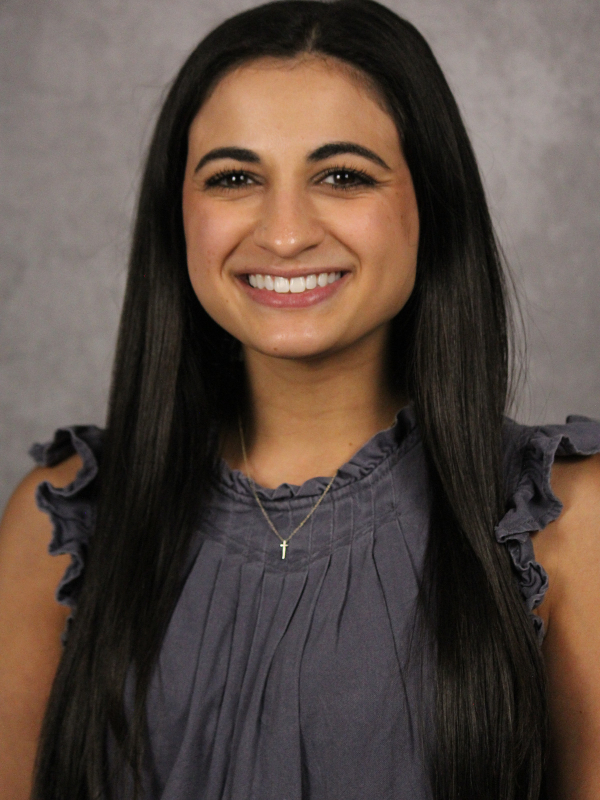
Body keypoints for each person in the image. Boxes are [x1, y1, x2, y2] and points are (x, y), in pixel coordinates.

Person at [0, 0, 599, 798]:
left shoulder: (565, 526)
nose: (284, 234)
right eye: (235, 178)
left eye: (343, 176)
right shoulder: (59, 528)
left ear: (432, 202)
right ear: (178, 215)